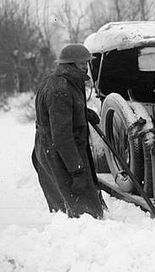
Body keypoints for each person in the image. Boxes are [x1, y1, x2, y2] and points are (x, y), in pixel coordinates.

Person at [32, 44, 104, 219]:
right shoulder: (60, 89)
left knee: (71, 207)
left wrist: (83, 113)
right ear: (70, 64)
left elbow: (57, 114)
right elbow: (62, 136)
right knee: (84, 214)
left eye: (87, 62)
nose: (86, 66)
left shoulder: (66, 81)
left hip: (56, 148)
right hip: (60, 153)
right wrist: (76, 171)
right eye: (82, 63)